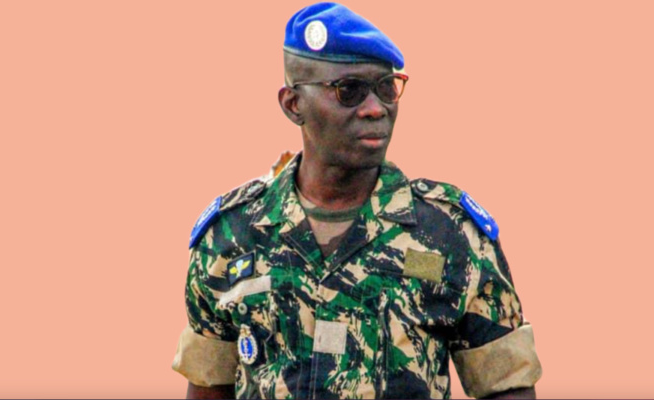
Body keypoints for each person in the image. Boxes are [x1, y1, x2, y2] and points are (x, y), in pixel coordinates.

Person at [172, 2, 542, 399]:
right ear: (293, 104)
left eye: (387, 88)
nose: (375, 109)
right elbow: (208, 384)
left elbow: (506, 386)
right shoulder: (231, 235)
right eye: (349, 91)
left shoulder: (450, 234)